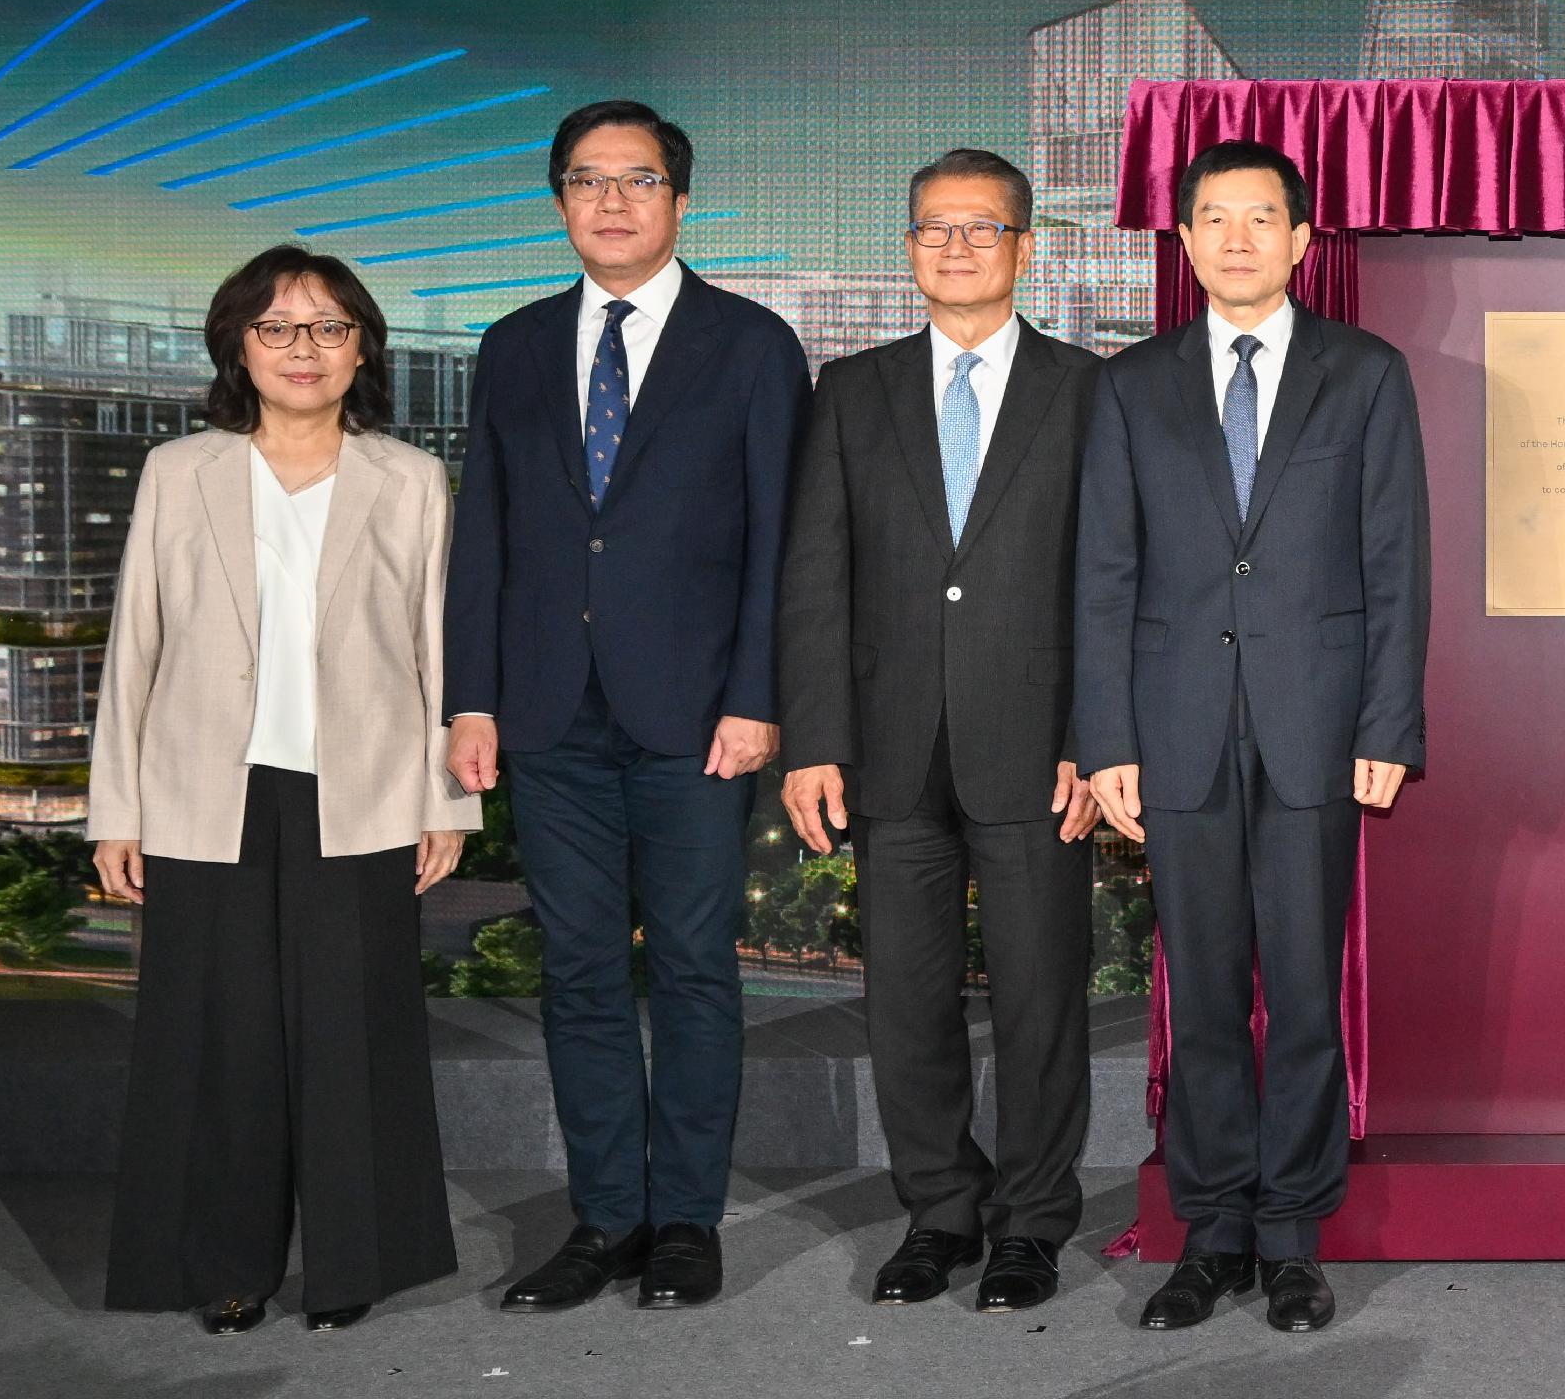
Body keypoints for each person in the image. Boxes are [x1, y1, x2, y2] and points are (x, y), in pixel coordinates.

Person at [445, 100, 808, 1314]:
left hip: (699, 717)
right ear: (559, 203)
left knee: (700, 967)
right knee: (582, 975)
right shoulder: (512, 345)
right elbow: (483, 534)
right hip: (548, 712)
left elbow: (779, 544)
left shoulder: (754, 345)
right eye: (586, 181)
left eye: (637, 180)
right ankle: (606, 1218)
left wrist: (758, 698)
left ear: (680, 202)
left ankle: (687, 1222)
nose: (611, 201)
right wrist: (472, 698)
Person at [1073, 139, 1426, 1334]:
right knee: (1206, 994)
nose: (1234, 237)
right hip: (1173, 732)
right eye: (1211, 217)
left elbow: (1395, 564)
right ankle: (1209, 1232)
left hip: (1316, 731)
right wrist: (1105, 737)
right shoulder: (1130, 386)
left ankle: (1291, 1238)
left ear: (1300, 238)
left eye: (1259, 217)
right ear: (1182, 241)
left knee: (1307, 999)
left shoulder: (1364, 374)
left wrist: (1388, 720)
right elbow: (1104, 576)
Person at [93, 247, 472, 1332]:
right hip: (202, 791)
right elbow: (137, 647)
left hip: (359, 790)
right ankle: (226, 1265)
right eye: (278, 328)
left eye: (330, 328)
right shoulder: (181, 473)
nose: (304, 350)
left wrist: (444, 800)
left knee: (355, 1036)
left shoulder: (408, 478)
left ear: (363, 348)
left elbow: (436, 649)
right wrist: (116, 809)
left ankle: (355, 1265)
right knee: (219, 1038)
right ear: (237, 346)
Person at [778, 149, 1105, 1314]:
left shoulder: (1086, 391)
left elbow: (1108, 581)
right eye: (933, 229)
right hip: (890, 745)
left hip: (1039, 748)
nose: (955, 247)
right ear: (907, 250)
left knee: (1038, 999)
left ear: (1026, 247)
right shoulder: (852, 391)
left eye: (982, 228)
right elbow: (815, 575)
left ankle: (1031, 1222)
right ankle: (938, 1214)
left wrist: (1099, 735)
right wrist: (815, 739)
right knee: (904, 1003)